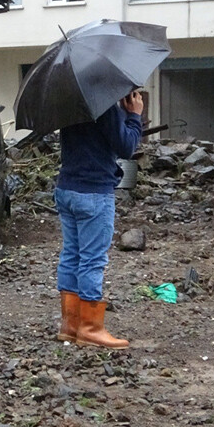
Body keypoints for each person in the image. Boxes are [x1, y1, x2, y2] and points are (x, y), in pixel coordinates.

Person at [55, 90, 143, 350]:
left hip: (67, 188)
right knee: (93, 259)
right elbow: (126, 146)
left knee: (71, 254)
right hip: (93, 192)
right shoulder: (102, 105)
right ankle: (91, 329)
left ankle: (70, 325)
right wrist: (134, 116)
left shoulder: (69, 104)